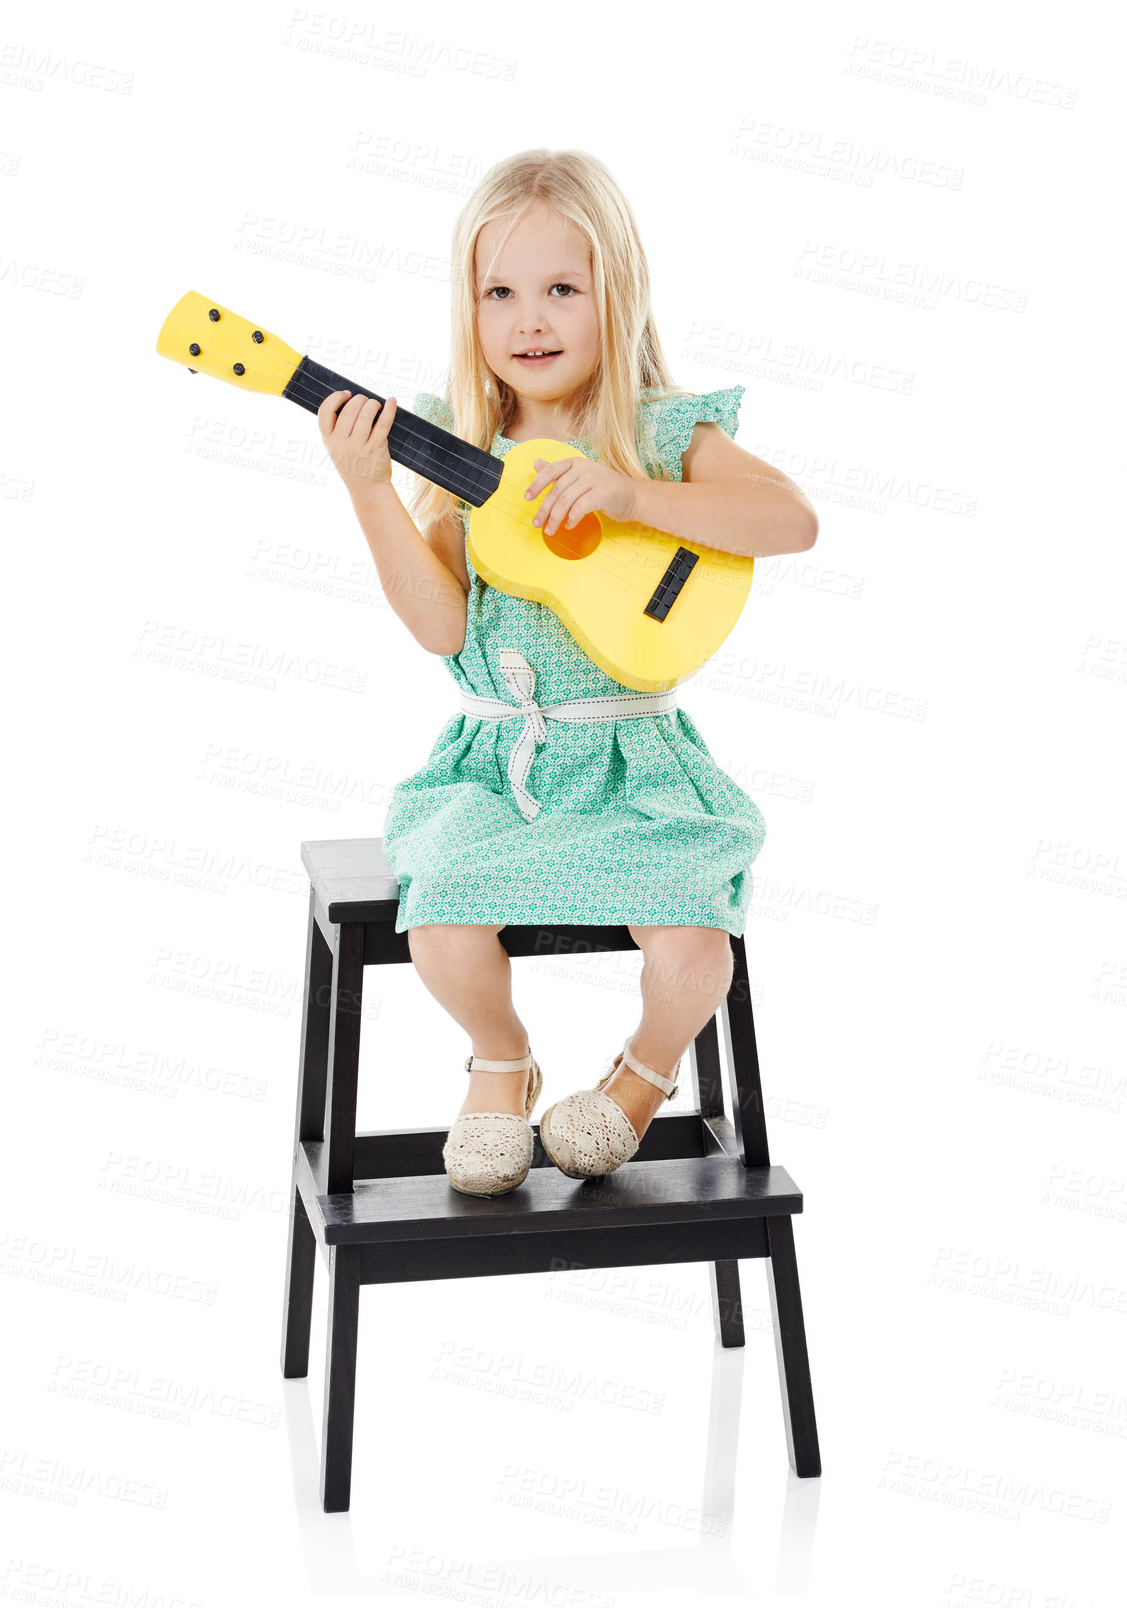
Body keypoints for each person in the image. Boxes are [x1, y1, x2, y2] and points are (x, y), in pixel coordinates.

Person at [316, 148, 818, 1199]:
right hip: (503, 764)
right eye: (499, 292)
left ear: (614, 295)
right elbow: (438, 624)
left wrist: (630, 499)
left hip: (636, 761)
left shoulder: (660, 433)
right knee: (444, 917)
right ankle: (501, 1062)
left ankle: (637, 1082)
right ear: (468, 308)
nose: (528, 319)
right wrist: (371, 492)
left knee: (693, 948)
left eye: (560, 289)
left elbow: (791, 520)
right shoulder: (462, 447)